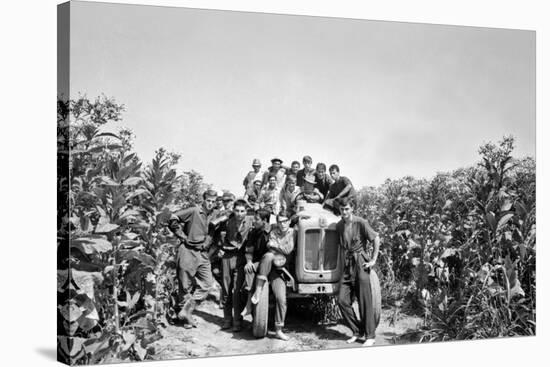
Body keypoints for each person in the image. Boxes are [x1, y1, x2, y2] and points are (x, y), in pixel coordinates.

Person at [168, 189, 220, 328]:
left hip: (202, 253)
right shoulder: (194, 211)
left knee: (207, 283)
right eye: (208, 201)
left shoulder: (214, 215)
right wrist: (182, 236)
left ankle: (186, 310)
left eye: (213, 202)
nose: (210, 204)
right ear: (203, 200)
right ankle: (185, 318)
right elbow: (173, 218)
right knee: (185, 285)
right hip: (188, 250)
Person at [335, 198, 380, 347]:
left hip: (360, 261)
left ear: (352, 208)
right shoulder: (339, 225)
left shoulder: (361, 222)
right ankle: (357, 330)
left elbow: (375, 238)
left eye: (347, 209)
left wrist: (373, 259)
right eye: (342, 209)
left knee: (364, 300)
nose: (345, 212)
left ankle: (370, 336)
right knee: (342, 299)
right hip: (348, 264)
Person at [250, 212, 295, 341]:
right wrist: (278, 247)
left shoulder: (293, 232)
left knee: (281, 299)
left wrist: (276, 246)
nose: (283, 224)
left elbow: (288, 250)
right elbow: (270, 247)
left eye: (285, 221)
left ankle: (278, 329)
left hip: (280, 271)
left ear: (289, 221)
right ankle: (258, 290)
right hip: (269, 266)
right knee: (269, 256)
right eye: (280, 221)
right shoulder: (274, 232)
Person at [215, 199, 254, 331]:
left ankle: (237, 321)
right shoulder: (227, 222)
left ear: (246, 211)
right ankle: (227, 319)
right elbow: (216, 233)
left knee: (237, 291)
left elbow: (266, 223)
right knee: (226, 289)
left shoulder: (251, 221)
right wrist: (219, 247)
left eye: (242, 211)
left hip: (241, 257)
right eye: (237, 210)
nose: (239, 213)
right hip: (227, 256)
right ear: (233, 210)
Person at [240, 208, 272, 317]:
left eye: (256, 219)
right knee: (249, 269)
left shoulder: (273, 231)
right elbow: (249, 250)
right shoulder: (253, 232)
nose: (254, 221)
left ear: (265, 220)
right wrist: (249, 261)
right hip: (258, 262)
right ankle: (249, 305)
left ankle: (249, 306)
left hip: (272, 262)